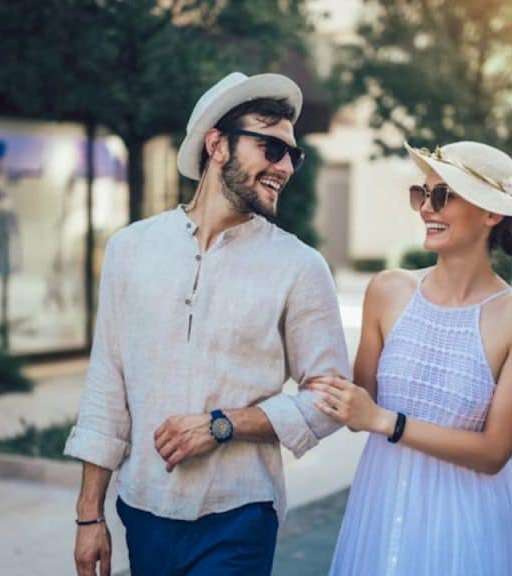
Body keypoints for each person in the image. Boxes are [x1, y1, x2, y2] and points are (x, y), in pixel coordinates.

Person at [63, 72, 349, 576]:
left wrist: (223, 425)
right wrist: (90, 514)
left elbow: (328, 398)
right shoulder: (131, 249)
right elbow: (107, 384)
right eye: (271, 148)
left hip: (239, 514)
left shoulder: (299, 266)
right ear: (217, 145)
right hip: (144, 508)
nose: (284, 167)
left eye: (292, 155)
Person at [306, 141, 512, 575]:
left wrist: (387, 422)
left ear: (491, 213)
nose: (425, 208)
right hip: (380, 507)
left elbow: (494, 451)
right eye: (422, 193)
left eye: (443, 196)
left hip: (463, 521)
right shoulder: (387, 290)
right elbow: (357, 406)